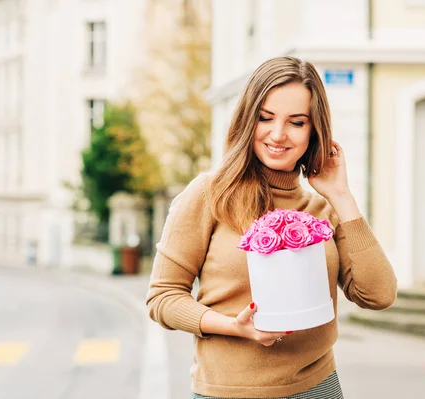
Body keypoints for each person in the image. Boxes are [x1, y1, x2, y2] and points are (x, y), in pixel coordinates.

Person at [146, 56, 397, 399]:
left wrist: (341, 195)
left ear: (314, 130)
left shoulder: (324, 208)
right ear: (248, 120)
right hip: (228, 392)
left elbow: (378, 294)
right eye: (265, 118)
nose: (278, 134)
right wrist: (233, 327)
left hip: (317, 388)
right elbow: (163, 297)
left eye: (296, 122)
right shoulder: (209, 195)